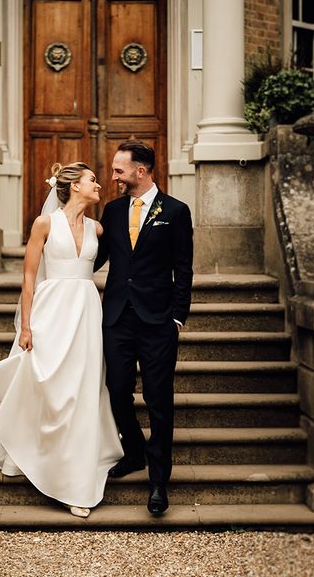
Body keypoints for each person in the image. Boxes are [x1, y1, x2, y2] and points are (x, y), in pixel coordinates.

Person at [0, 162, 122, 518]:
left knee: (82, 390)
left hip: (86, 312)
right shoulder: (44, 224)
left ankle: (75, 478)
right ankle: (38, 452)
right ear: (73, 187)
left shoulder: (98, 228)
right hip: (51, 311)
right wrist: (26, 326)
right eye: (93, 181)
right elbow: (28, 277)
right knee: (50, 384)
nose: (99, 185)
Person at [95, 140, 193, 516]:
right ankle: (133, 451)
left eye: (120, 170)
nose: (114, 177)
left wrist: (177, 315)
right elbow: (97, 256)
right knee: (117, 391)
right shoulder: (113, 211)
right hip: (117, 317)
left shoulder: (176, 211)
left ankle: (158, 482)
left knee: (159, 401)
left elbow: (183, 266)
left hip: (158, 322)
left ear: (141, 171)